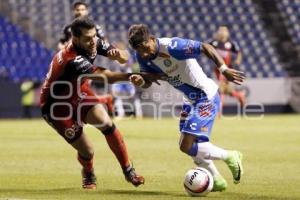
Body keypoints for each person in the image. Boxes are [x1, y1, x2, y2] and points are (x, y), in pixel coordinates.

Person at [128, 24, 245, 192]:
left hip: (205, 96)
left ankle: (230, 156)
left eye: (145, 47)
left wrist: (223, 69)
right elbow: (149, 80)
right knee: (192, 146)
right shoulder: (142, 57)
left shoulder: (172, 46)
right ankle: (216, 179)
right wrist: (141, 81)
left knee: (186, 144)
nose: (144, 53)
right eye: (139, 50)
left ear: (152, 39)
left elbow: (206, 47)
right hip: (190, 100)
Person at [40, 18, 145, 190]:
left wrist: (119, 55)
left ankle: (128, 171)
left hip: (79, 92)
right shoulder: (70, 58)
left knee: (108, 125)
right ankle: (88, 172)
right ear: (75, 38)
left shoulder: (94, 42)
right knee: (88, 151)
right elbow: (106, 77)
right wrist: (131, 78)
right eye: (88, 39)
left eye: (94, 36)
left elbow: (125, 58)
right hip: (56, 107)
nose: (93, 42)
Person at [208, 26, 245, 114]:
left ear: (227, 32)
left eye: (224, 30)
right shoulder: (214, 42)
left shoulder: (231, 43)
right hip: (217, 69)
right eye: (220, 30)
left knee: (221, 89)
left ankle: (219, 112)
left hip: (226, 69)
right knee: (225, 89)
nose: (222, 32)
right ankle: (239, 95)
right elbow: (205, 48)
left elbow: (238, 52)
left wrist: (237, 61)